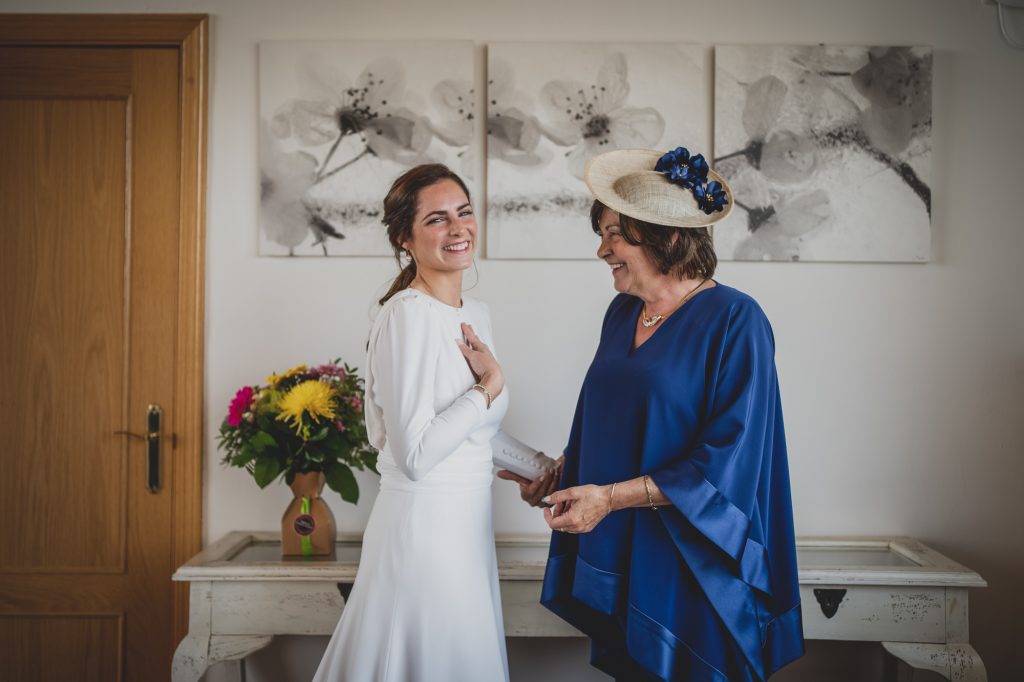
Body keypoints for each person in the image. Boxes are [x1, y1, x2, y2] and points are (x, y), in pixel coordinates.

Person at [504, 147, 805, 681]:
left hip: (691, 554)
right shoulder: (622, 313)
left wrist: (609, 499)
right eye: (602, 235)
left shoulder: (737, 320)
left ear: (663, 236)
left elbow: (729, 460)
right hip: (623, 542)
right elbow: (610, 425)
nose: (602, 250)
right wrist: (559, 476)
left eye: (614, 234)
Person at [313, 164, 510, 682]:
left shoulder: (477, 313)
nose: (458, 228)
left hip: (469, 528)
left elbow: (473, 432)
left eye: (464, 212)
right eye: (437, 219)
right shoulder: (406, 315)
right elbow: (417, 455)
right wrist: (487, 386)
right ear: (405, 237)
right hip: (424, 532)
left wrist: (545, 469)